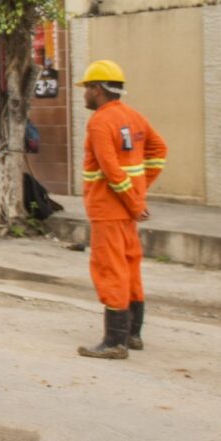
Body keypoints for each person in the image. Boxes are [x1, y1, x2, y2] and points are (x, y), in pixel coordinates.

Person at [75, 59, 167, 359]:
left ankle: (115, 342)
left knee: (110, 269)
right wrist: (139, 190)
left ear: (97, 89)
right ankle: (133, 335)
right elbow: (159, 150)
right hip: (126, 211)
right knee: (129, 267)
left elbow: (110, 169)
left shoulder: (100, 122)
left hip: (108, 209)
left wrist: (135, 200)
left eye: (86, 88)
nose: (84, 94)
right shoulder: (133, 116)